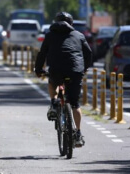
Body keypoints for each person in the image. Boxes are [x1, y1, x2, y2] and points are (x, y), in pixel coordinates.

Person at [35, 12, 92, 147]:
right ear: (71, 23)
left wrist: (38, 70)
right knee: (75, 103)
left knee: (52, 80)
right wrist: (85, 68)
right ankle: (78, 133)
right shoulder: (79, 35)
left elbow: (42, 54)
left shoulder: (49, 36)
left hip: (56, 70)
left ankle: (54, 102)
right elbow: (88, 53)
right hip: (75, 70)